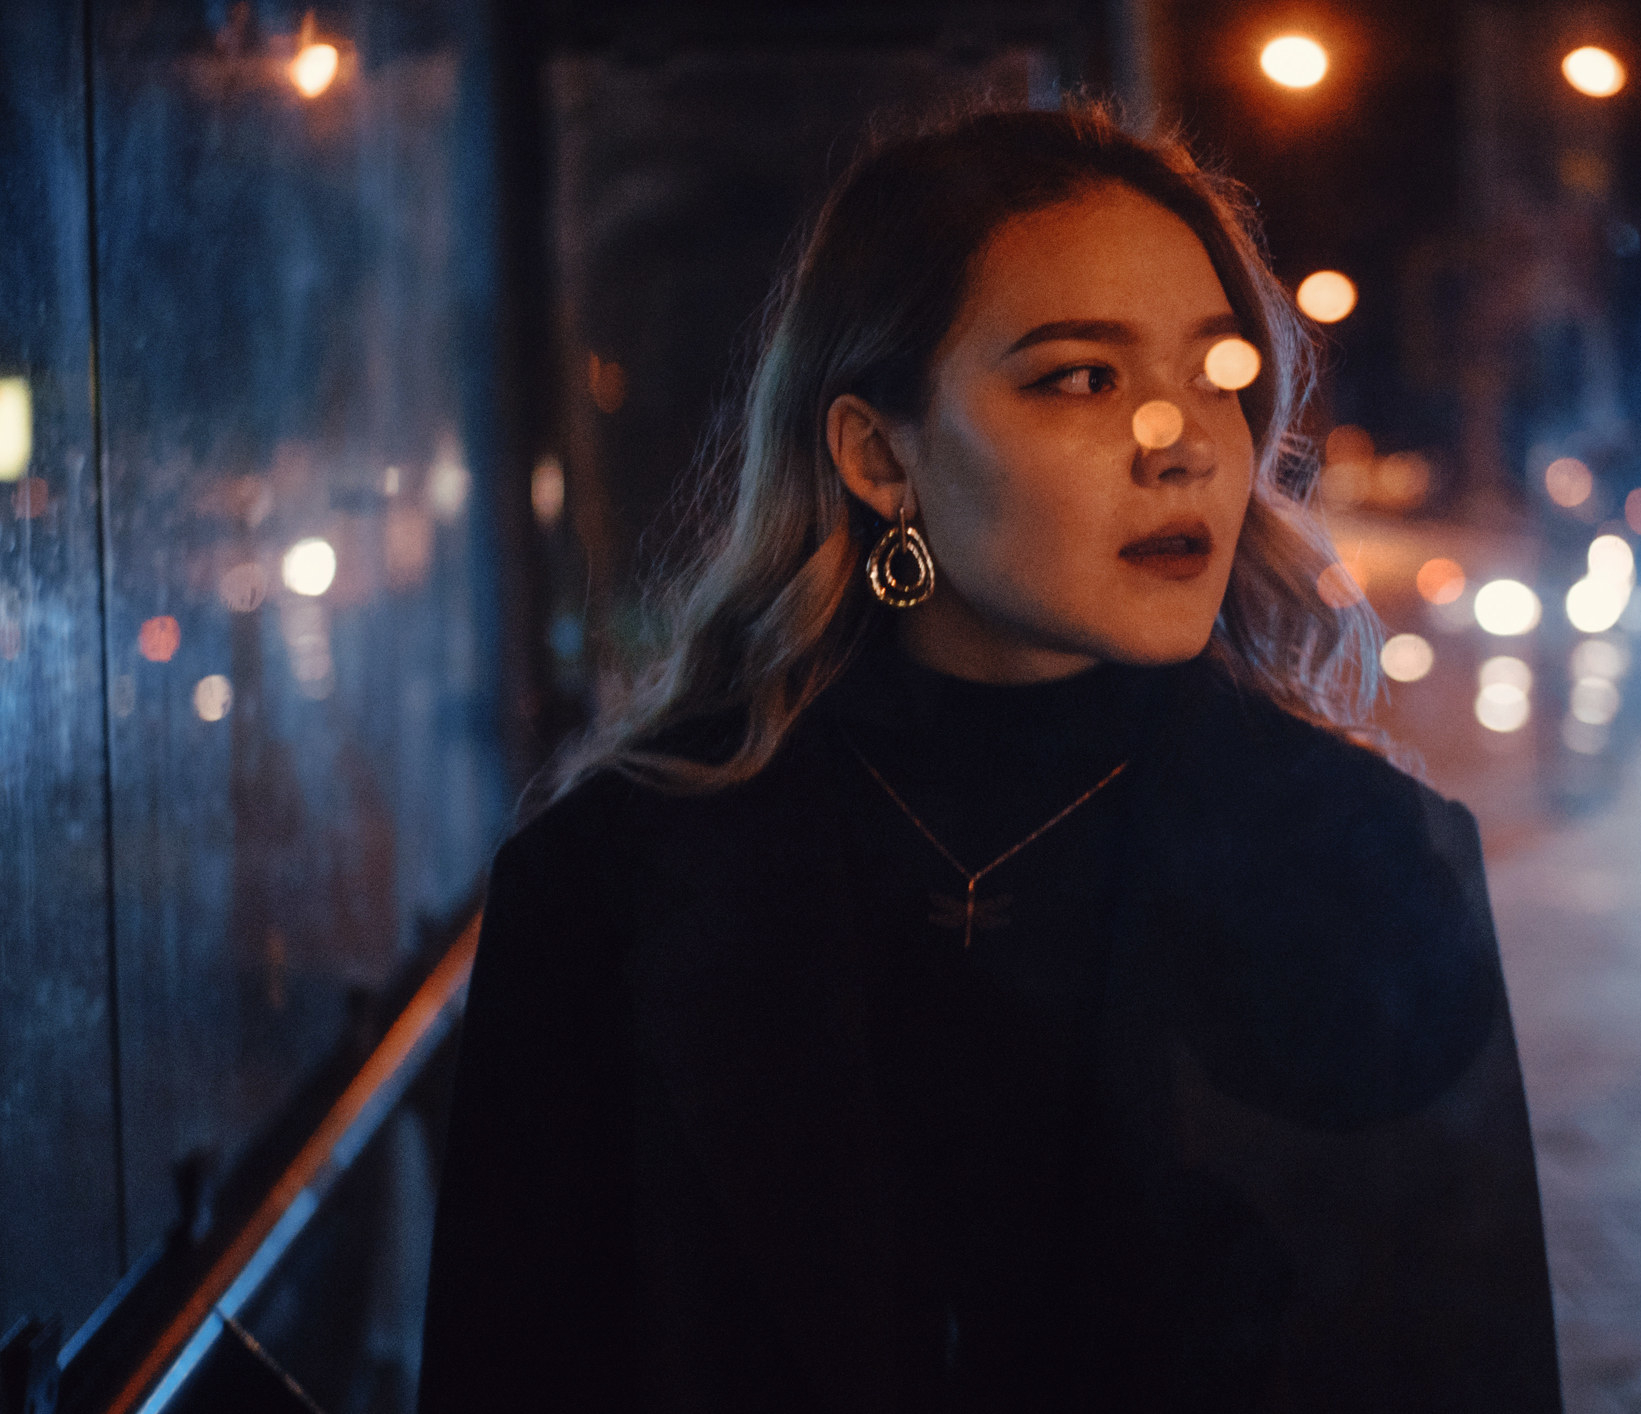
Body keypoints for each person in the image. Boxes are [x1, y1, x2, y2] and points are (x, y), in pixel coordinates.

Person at [418, 102, 1560, 1413]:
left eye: (1216, 373)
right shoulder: (615, 880)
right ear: (877, 453)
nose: (1178, 437)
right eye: (1081, 376)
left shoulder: (1370, 864)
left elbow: (1472, 1369)